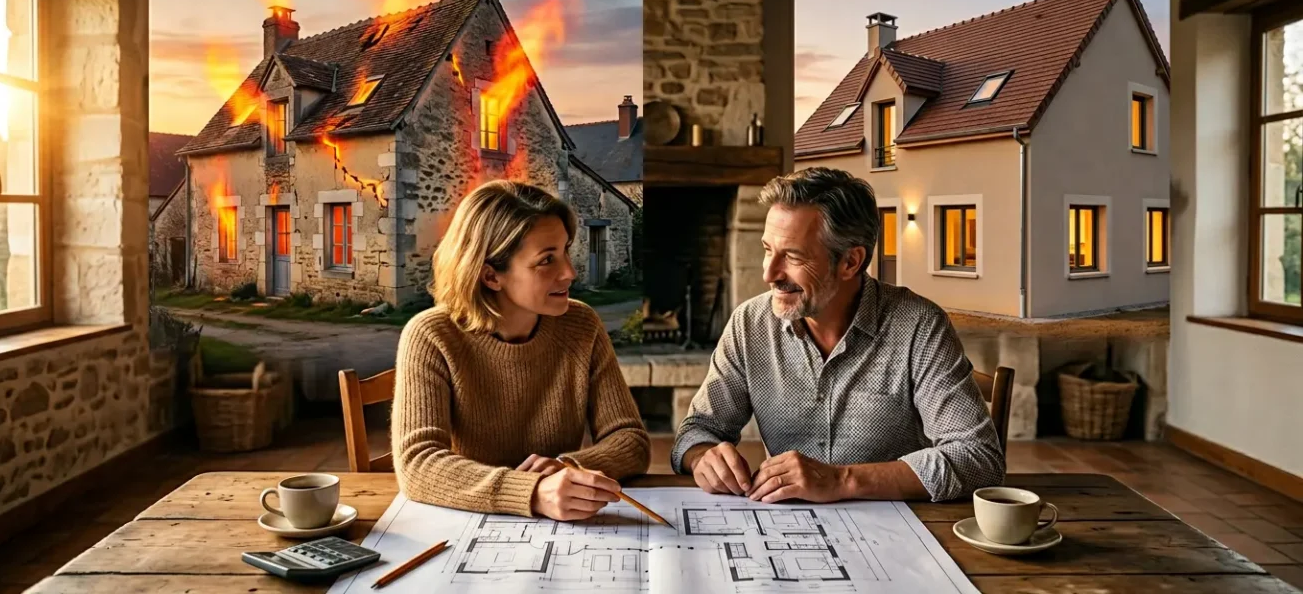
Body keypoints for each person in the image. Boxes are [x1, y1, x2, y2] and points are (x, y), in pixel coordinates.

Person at [671, 167, 1005, 503]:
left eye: (792, 256)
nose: (768, 273)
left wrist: (842, 479)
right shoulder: (749, 324)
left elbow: (979, 459)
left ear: (850, 262)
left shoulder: (920, 326)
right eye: (767, 249)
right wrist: (703, 457)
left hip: (901, 535)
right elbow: (697, 431)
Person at [392, 180, 650, 520]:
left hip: (563, 527)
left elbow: (630, 440)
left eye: (565, 251)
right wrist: (530, 493)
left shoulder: (582, 325)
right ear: (490, 277)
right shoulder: (430, 335)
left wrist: (567, 467)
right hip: (461, 524)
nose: (570, 273)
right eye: (547, 260)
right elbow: (418, 463)